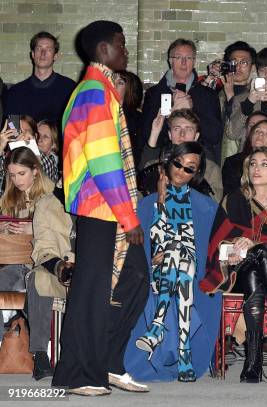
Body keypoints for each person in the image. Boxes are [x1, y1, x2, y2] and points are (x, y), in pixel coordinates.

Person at [52, 20, 149, 396]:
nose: (126, 51)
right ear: (103, 50)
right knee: (91, 290)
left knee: (136, 276)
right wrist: (129, 218)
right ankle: (76, 373)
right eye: (121, 44)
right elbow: (105, 162)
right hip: (99, 207)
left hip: (109, 206)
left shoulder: (103, 89)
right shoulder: (94, 91)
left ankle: (107, 361)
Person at [200, 147, 267, 383]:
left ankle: (253, 361)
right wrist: (235, 251)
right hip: (236, 270)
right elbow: (217, 245)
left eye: (264, 164)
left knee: (262, 257)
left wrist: (255, 246)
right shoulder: (234, 199)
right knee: (257, 260)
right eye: (253, 164)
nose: (257, 169)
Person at [126, 142, 221, 382]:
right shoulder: (147, 204)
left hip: (192, 274)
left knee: (178, 256)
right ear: (168, 163)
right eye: (177, 163)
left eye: (189, 169)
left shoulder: (207, 206)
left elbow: (214, 253)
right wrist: (160, 198)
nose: (180, 171)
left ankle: (157, 329)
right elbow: (140, 249)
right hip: (154, 274)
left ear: (196, 173)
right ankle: (184, 354)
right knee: (174, 255)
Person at [142, 39, 223, 163]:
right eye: (179, 57)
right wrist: (171, 114)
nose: (184, 63)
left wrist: (191, 110)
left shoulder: (208, 95)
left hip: (199, 162)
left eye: (189, 58)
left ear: (194, 62)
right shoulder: (154, 94)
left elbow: (214, 136)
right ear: (171, 61)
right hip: (163, 161)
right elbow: (148, 136)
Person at [27, 184, 72, 381]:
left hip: (93, 270)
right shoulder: (46, 204)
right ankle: (40, 355)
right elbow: (43, 247)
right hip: (60, 271)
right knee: (38, 279)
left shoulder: (96, 200)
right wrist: (60, 266)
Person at [0, 147, 55, 287]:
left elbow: (63, 235)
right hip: (13, 263)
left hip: (42, 267)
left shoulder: (51, 197)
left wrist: (35, 228)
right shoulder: (9, 198)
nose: (16, 180)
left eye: (21, 173)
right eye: (12, 175)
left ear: (35, 170)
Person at [138, 108, 221, 200]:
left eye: (188, 129)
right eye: (177, 129)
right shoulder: (153, 167)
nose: (182, 134)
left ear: (196, 136)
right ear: (170, 134)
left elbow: (213, 208)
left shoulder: (210, 170)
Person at [2, 31, 75, 125]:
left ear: (55, 56)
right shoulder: (16, 92)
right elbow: (11, 128)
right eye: (39, 48)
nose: (43, 53)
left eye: (48, 49)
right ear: (33, 54)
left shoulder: (70, 89)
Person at [222, 118, 267, 197]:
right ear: (251, 138)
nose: (260, 134)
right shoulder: (233, 162)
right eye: (257, 131)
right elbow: (230, 195)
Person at [219, 41, 257, 162]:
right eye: (234, 62)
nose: (238, 67)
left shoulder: (256, 96)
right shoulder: (216, 94)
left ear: (253, 67)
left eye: (244, 62)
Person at [116, 71, 144, 168]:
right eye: (112, 80)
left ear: (130, 90)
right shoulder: (101, 113)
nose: (112, 84)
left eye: (120, 83)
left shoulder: (137, 120)